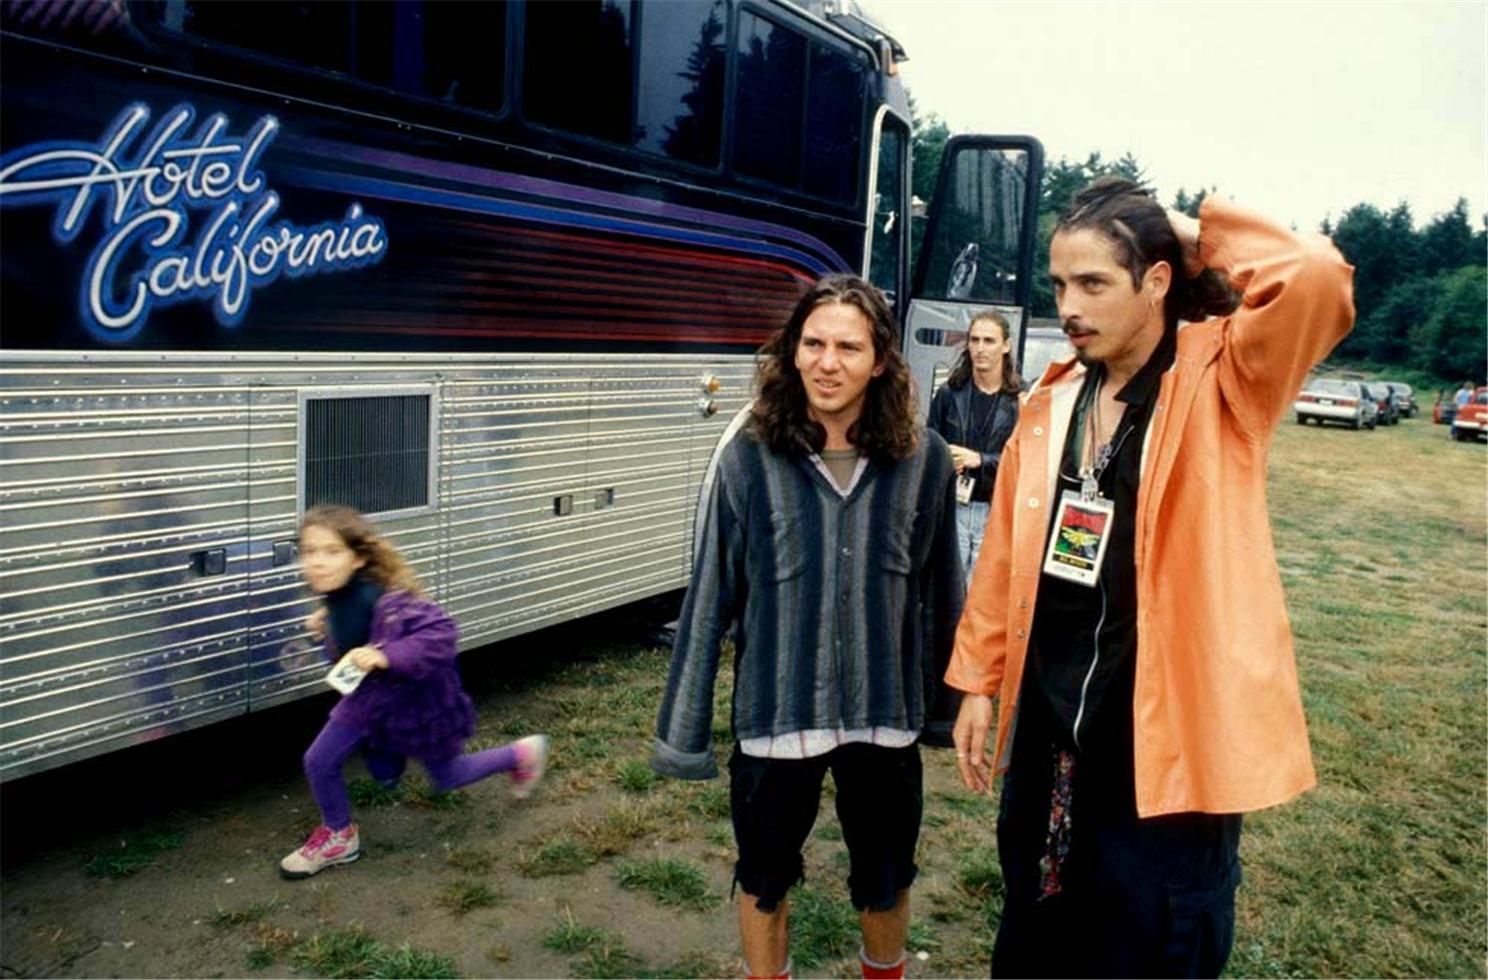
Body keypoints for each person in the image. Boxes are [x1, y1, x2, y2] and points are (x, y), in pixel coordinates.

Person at [946, 178, 1354, 977]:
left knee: (1152, 947)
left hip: (1165, 761)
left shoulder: (1226, 377)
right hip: (1052, 745)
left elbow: (1314, 274)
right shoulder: (1056, 397)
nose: (1070, 305)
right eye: (1060, 284)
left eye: (1094, 283)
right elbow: (1006, 555)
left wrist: (1188, 230)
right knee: (1034, 943)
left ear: (1157, 281)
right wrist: (977, 680)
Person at [652, 274, 963, 980]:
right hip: (775, 714)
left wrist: (949, 709)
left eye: (848, 347)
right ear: (791, 353)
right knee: (764, 878)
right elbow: (710, 597)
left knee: (886, 878)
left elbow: (943, 593)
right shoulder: (747, 459)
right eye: (813, 343)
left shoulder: (926, 461)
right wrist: (685, 732)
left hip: (884, 718)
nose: (828, 362)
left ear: (881, 359)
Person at [280, 505, 550, 880]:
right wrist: (325, 625)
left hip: (415, 703)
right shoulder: (337, 596)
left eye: (332, 551)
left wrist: (384, 654)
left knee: (449, 775)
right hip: (369, 700)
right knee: (319, 760)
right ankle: (339, 835)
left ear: (358, 558)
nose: (318, 562)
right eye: (309, 552)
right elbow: (347, 638)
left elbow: (441, 634)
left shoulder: (392, 602)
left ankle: (521, 754)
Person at [925, 311, 1021, 581]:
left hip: (996, 508)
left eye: (989, 341)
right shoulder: (949, 393)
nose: (980, 348)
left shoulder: (1020, 400)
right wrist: (945, 459)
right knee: (948, 592)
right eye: (974, 340)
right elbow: (929, 445)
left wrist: (980, 459)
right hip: (953, 504)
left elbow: (1027, 463)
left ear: (1006, 345)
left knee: (982, 593)